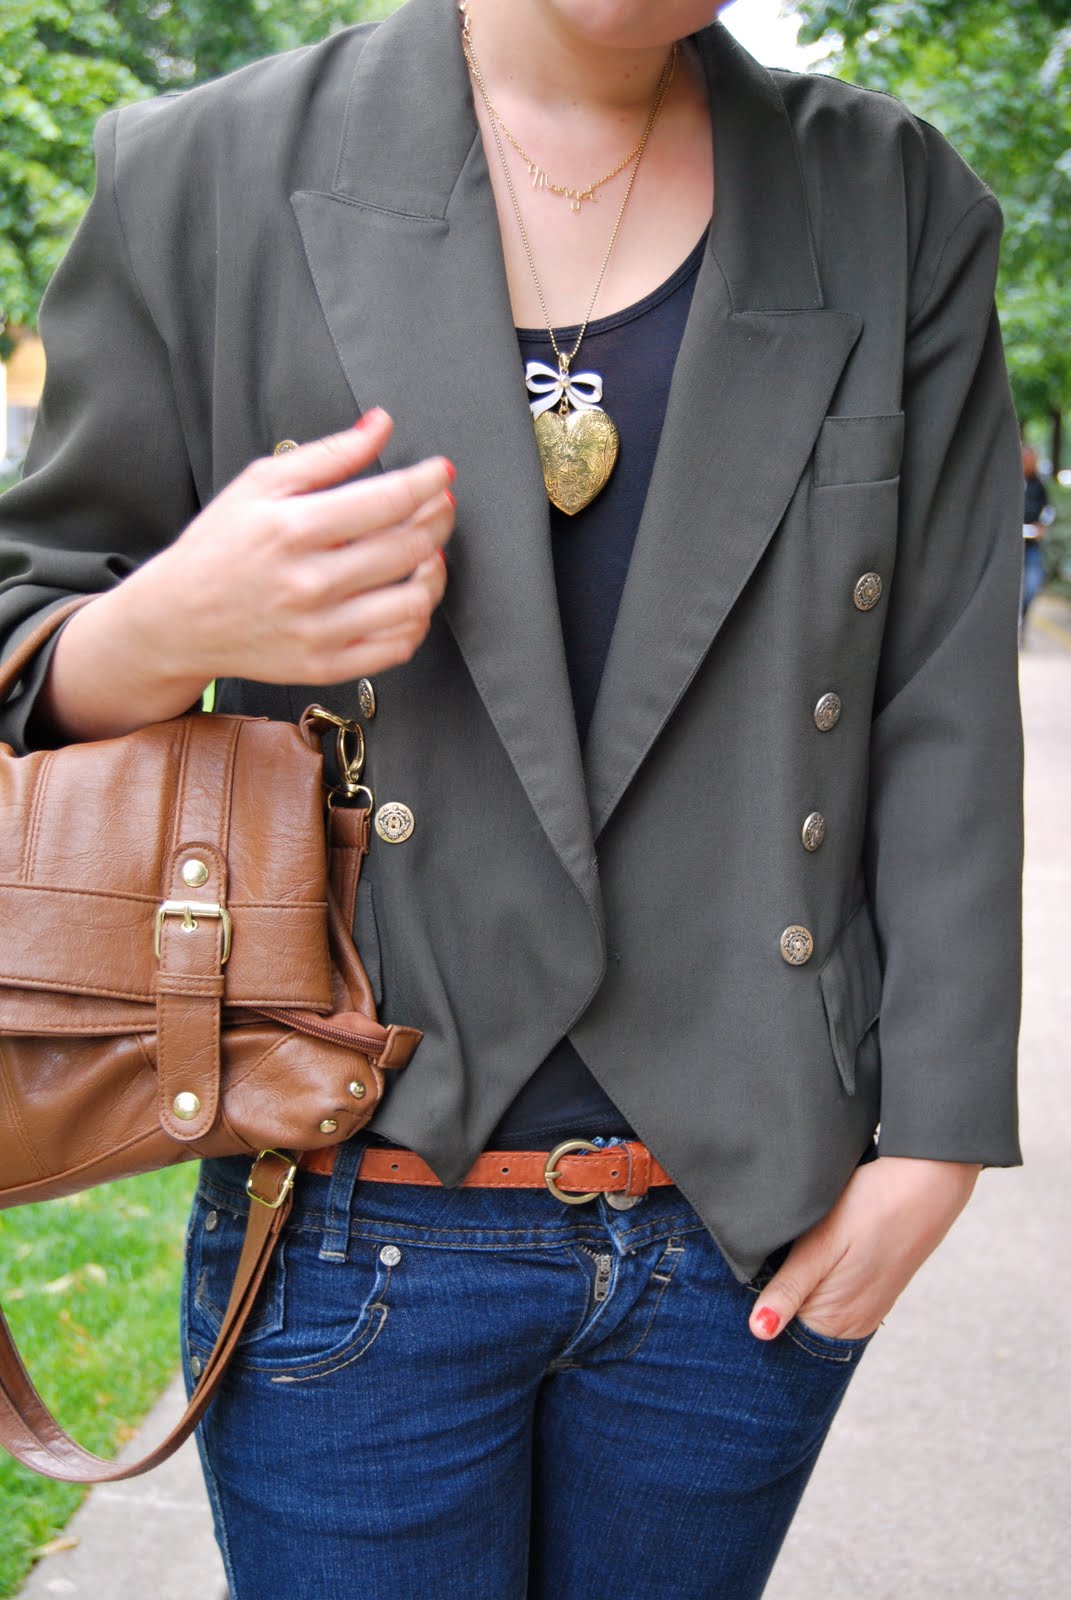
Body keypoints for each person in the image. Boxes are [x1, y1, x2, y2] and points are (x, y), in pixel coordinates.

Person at [0, 0, 1024, 1594]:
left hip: (734, 1235)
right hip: (346, 1203)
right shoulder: (200, 174)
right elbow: (29, 636)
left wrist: (936, 1146)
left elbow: (940, 696)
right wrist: (170, 628)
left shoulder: (888, 197)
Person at [1021, 442, 1050, 625]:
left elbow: (1047, 511)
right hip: (1011, 545)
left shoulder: (1038, 485)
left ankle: (1022, 619)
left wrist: (1042, 526)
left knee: (1032, 585)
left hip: (1031, 544)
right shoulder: (1010, 483)